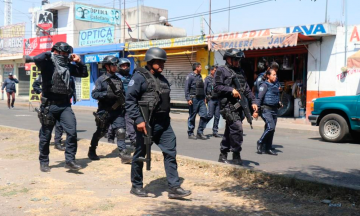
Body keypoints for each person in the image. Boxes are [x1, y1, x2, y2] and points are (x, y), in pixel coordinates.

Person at [126, 47, 191, 199]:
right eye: (158, 62)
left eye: (163, 62)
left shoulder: (162, 79)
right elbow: (130, 100)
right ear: (150, 61)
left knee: (170, 152)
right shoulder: (139, 77)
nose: (162, 65)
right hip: (146, 124)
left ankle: (174, 187)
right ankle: (136, 186)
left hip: (163, 124)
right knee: (140, 154)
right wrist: (139, 120)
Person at [32, 42, 88, 172]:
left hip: (64, 105)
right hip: (49, 106)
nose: (64, 56)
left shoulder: (68, 67)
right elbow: (36, 59)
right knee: (45, 136)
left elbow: (83, 73)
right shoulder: (47, 65)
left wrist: (79, 62)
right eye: (61, 53)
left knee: (72, 132)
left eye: (66, 54)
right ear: (55, 52)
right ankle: (44, 161)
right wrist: (50, 54)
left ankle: (69, 161)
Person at [214, 48, 258, 165]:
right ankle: (236, 155)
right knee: (237, 128)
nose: (238, 62)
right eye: (235, 60)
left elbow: (246, 88)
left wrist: (253, 101)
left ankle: (223, 154)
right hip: (228, 106)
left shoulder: (240, 71)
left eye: (239, 60)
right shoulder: (221, 70)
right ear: (228, 59)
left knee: (230, 130)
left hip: (239, 107)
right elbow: (217, 87)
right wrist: (230, 90)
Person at [88, 56, 132, 164]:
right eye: (113, 65)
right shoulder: (101, 80)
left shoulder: (118, 80)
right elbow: (94, 94)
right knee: (101, 132)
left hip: (117, 111)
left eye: (116, 65)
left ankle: (123, 153)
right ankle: (92, 150)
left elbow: (123, 94)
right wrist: (106, 94)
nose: (115, 67)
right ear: (107, 66)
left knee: (121, 131)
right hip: (105, 111)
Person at [32, 75, 77, 151]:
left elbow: (72, 87)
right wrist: (40, 92)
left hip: (63, 104)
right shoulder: (46, 73)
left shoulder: (67, 73)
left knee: (59, 125)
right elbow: (35, 85)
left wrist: (73, 96)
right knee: (46, 124)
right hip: (49, 104)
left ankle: (57, 143)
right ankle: (43, 140)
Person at [107, 58, 136, 147]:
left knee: (129, 121)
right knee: (116, 121)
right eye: (123, 66)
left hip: (129, 102)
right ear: (119, 67)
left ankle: (133, 140)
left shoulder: (132, 77)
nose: (125, 67)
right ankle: (110, 137)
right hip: (117, 103)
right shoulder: (114, 77)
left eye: (126, 66)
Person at [254, 69, 282, 155]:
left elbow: (274, 97)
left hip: (274, 110)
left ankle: (268, 148)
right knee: (271, 127)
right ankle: (260, 142)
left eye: (275, 75)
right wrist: (256, 110)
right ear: (268, 76)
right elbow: (259, 98)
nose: (275, 76)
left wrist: (279, 103)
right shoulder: (264, 85)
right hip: (266, 109)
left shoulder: (275, 85)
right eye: (273, 75)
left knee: (271, 129)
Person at [184, 62, 208, 140]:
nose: (201, 68)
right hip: (193, 99)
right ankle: (190, 133)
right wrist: (188, 99)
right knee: (192, 116)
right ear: (196, 68)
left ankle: (200, 132)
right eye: (200, 67)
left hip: (201, 99)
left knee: (204, 115)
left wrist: (204, 97)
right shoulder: (190, 77)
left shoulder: (200, 76)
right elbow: (186, 88)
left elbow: (202, 88)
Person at [204, 65, 222, 138]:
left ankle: (215, 131)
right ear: (211, 71)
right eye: (215, 70)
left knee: (217, 116)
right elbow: (204, 89)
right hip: (211, 99)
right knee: (210, 115)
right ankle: (201, 128)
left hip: (218, 99)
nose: (216, 72)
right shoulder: (207, 79)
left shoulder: (219, 79)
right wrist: (204, 98)